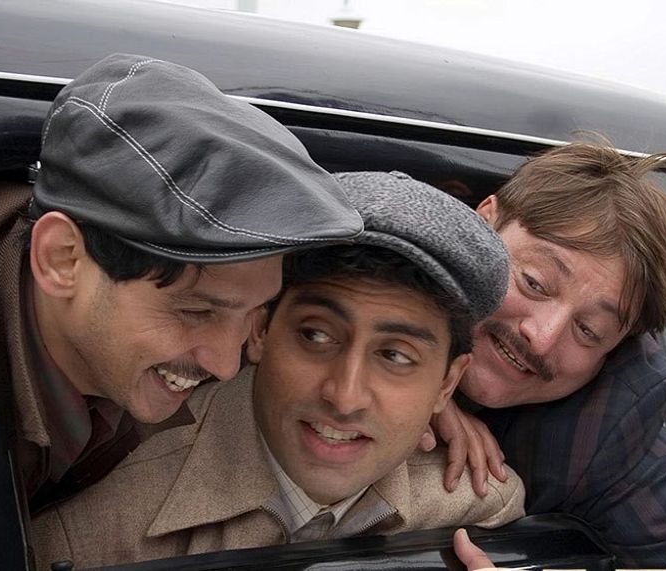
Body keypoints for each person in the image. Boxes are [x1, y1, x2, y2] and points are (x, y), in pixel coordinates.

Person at [29, 171, 525, 569]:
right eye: (316, 336)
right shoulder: (91, 530)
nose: (345, 396)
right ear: (260, 330)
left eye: (395, 356)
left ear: (447, 383)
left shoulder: (479, 507)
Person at [0, 53, 363, 512]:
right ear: (62, 259)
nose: (227, 364)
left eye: (257, 311)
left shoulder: (153, 328)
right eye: (197, 312)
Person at [436, 142, 666, 569]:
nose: (542, 338)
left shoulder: (598, 433)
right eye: (534, 283)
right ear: (484, 221)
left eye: (589, 330)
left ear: (614, 351)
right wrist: (415, 392)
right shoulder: (371, 264)